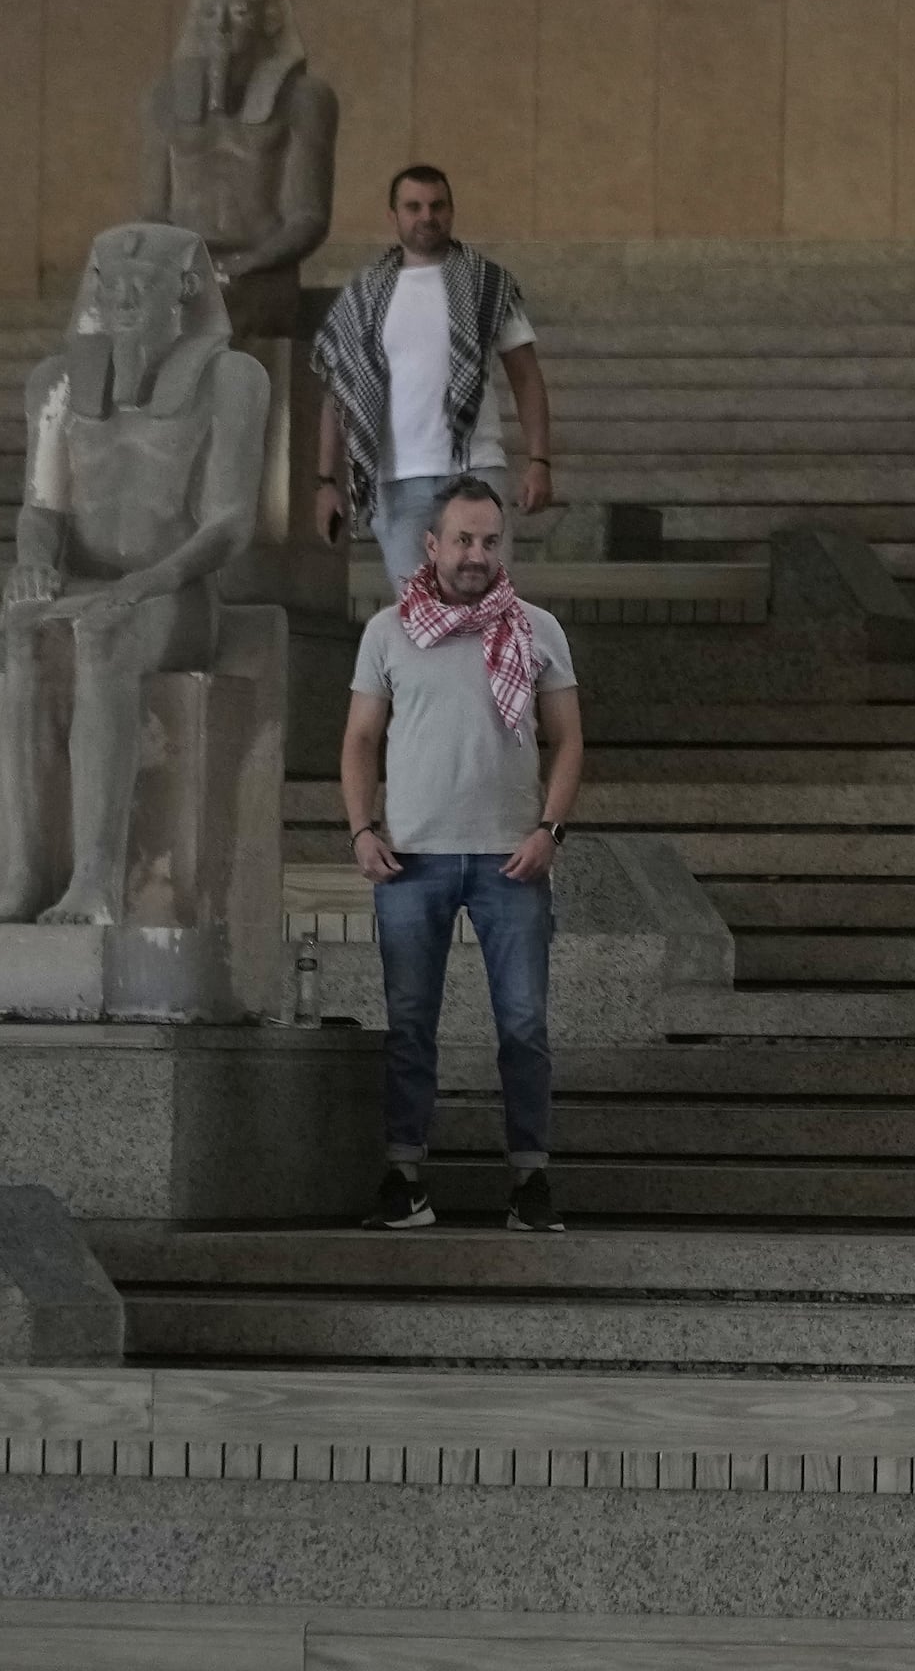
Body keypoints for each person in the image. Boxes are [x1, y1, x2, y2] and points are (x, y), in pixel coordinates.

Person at [346, 478, 584, 1233]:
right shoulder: (388, 631)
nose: (476, 555)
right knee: (411, 1025)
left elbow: (569, 739)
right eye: (463, 540)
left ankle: (530, 1181)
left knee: (523, 1026)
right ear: (432, 545)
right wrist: (361, 828)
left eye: (489, 541)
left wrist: (551, 828)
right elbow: (358, 740)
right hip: (412, 858)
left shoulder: (536, 628)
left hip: (510, 857)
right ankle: (405, 1180)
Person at [310, 166, 556, 592]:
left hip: (475, 469)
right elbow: (339, 393)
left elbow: (527, 378)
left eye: (437, 205)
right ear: (393, 217)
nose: (427, 216)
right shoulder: (362, 297)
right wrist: (326, 482)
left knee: (488, 610)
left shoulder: (488, 285)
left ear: (452, 211)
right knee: (417, 619)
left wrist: (540, 461)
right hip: (398, 480)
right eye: (414, 207)